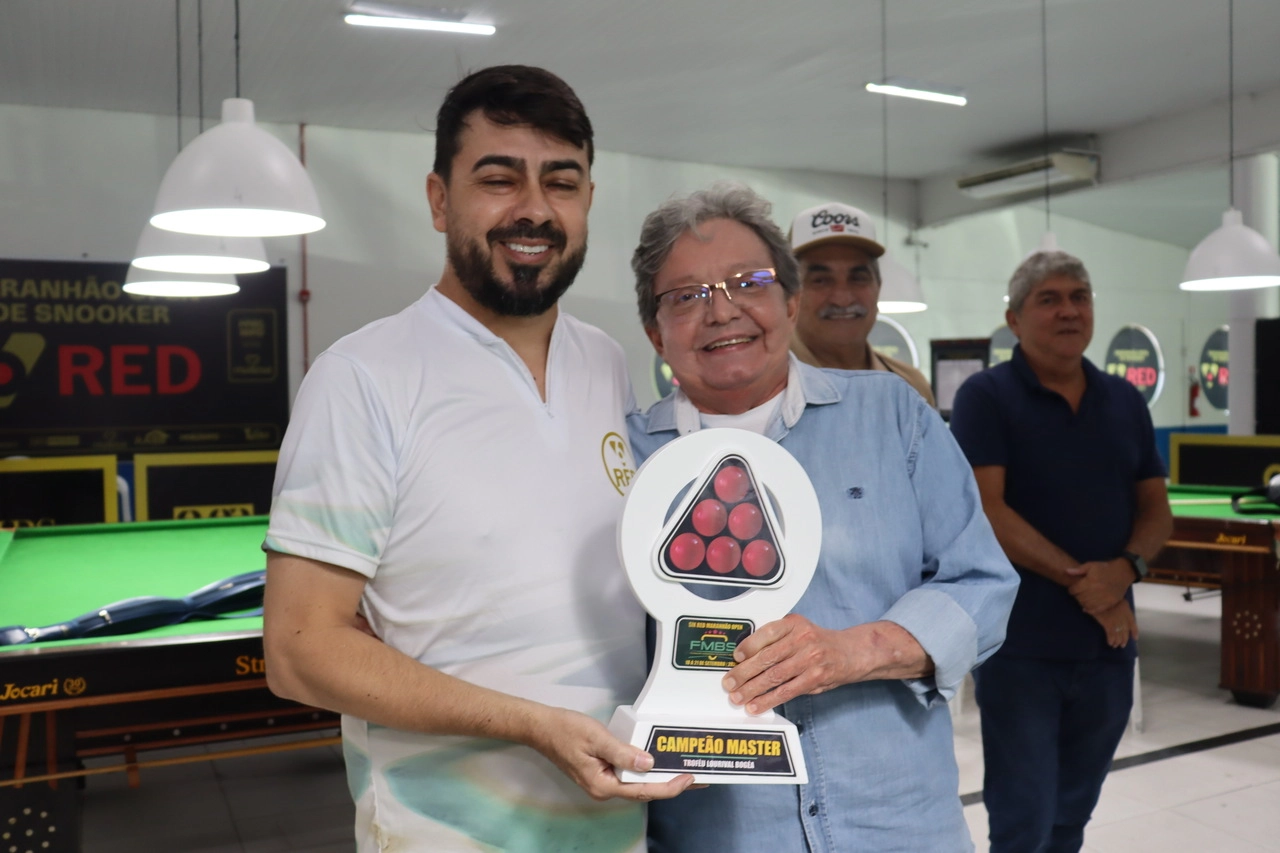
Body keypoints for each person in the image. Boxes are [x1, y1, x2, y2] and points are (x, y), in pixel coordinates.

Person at [261, 65, 692, 853]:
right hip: (444, 834)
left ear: (588, 200)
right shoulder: (364, 377)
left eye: (561, 182)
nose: (533, 208)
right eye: (499, 179)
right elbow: (298, 650)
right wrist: (530, 724)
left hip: (618, 827)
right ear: (438, 199)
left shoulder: (604, 361)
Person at [628, 182, 1019, 853]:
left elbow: (984, 584)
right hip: (722, 832)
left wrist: (851, 651)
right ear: (653, 331)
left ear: (789, 300)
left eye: (747, 282)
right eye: (685, 296)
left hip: (901, 822)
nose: (721, 312)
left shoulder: (895, 416)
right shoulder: (626, 460)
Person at [949, 250, 1173, 853]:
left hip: (1109, 648)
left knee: (1073, 814)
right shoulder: (986, 397)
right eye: (1049, 299)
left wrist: (1124, 572)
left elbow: (1157, 509)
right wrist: (1089, 585)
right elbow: (988, 512)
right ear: (1015, 319)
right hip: (1020, 649)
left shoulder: (1124, 400)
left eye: (1079, 296)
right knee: (1024, 817)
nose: (1069, 309)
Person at [787, 202, 935, 404]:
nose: (842, 298)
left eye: (858, 278)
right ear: (789, 293)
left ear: (878, 286)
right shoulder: (764, 387)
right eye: (821, 280)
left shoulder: (911, 386)